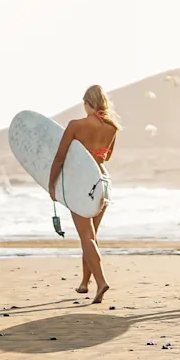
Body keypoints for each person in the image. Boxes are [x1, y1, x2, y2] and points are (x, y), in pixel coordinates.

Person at [49, 85, 119, 304]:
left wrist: (51, 185)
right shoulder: (112, 127)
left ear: (87, 103)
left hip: (81, 183)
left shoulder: (75, 125)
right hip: (103, 182)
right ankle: (84, 283)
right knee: (91, 236)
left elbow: (60, 157)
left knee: (86, 236)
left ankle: (100, 282)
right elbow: (106, 157)